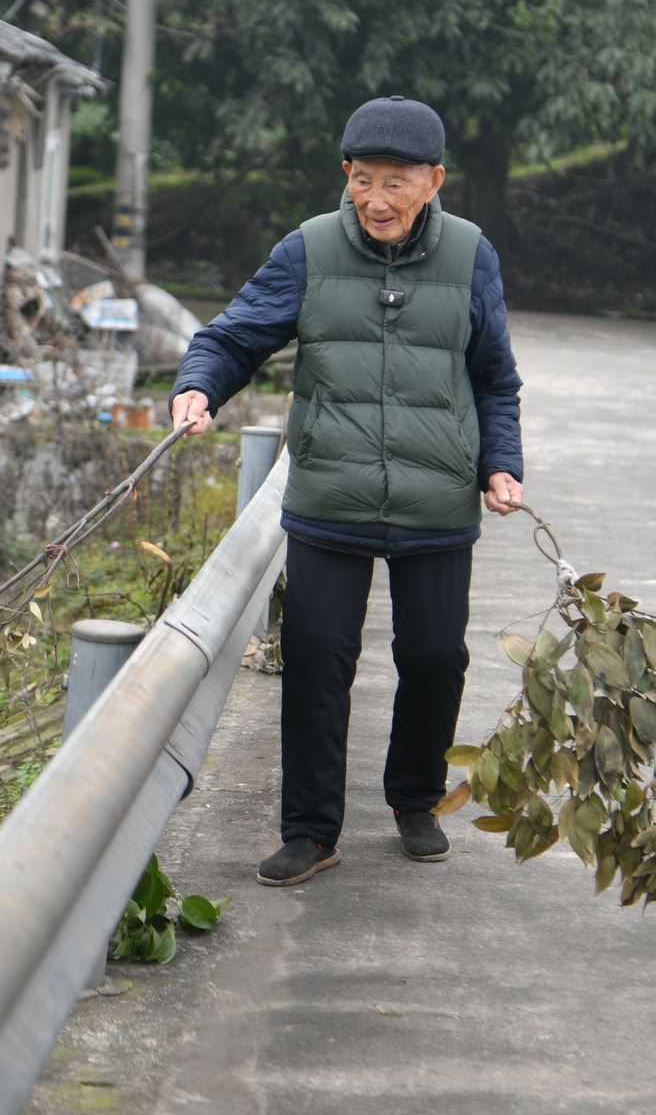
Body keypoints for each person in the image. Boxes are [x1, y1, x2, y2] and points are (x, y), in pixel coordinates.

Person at [170, 95, 525, 886]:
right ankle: (310, 829)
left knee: (434, 657)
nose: (376, 200)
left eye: (396, 182)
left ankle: (415, 799)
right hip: (330, 494)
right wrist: (199, 387)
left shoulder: (471, 254)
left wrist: (500, 464)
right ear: (345, 174)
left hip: (436, 497)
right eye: (363, 180)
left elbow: (494, 378)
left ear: (434, 181)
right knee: (316, 659)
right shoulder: (308, 249)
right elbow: (234, 337)